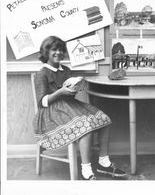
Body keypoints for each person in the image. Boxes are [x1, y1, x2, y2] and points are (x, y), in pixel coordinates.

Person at [32, 36, 126, 180]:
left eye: (61, 50)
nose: (58, 53)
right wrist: (61, 92)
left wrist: (75, 88)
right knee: (85, 125)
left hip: (69, 106)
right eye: (54, 50)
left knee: (104, 119)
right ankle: (86, 169)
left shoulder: (66, 70)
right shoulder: (42, 74)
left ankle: (103, 162)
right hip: (51, 113)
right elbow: (42, 101)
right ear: (46, 53)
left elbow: (70, 95)